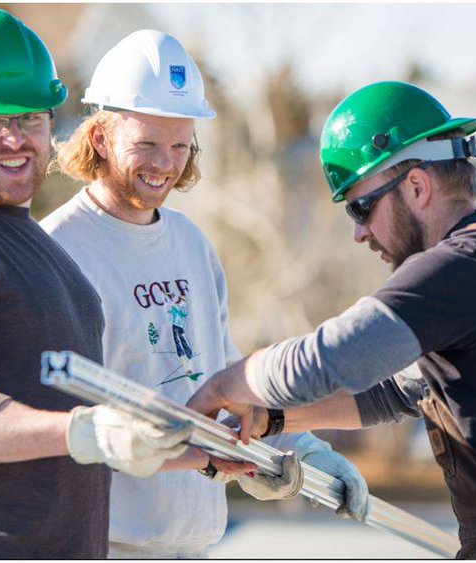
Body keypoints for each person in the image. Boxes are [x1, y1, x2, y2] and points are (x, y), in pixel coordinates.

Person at [186, 81, 476, 558]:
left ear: (416, 185)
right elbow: (403, 390)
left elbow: (333, 357)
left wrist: (225, 385)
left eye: (360, 206)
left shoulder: (463, 268)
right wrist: (270, 419)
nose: (358, 232)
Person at [41, 30, 369, 559]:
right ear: (100, 137)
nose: (165, 163)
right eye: (147, 143)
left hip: (193, 541)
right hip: (101, 543)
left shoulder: (191, 245)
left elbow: (224, 378)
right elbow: (49, 425)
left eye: (179, 144)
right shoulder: (57, 252)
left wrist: (299, 452)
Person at [0, 9, 191, 558]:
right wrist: (85, 433)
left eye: (30, 117)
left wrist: (215, 456)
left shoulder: (45, 249)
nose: (15, 138)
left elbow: (88, 421)